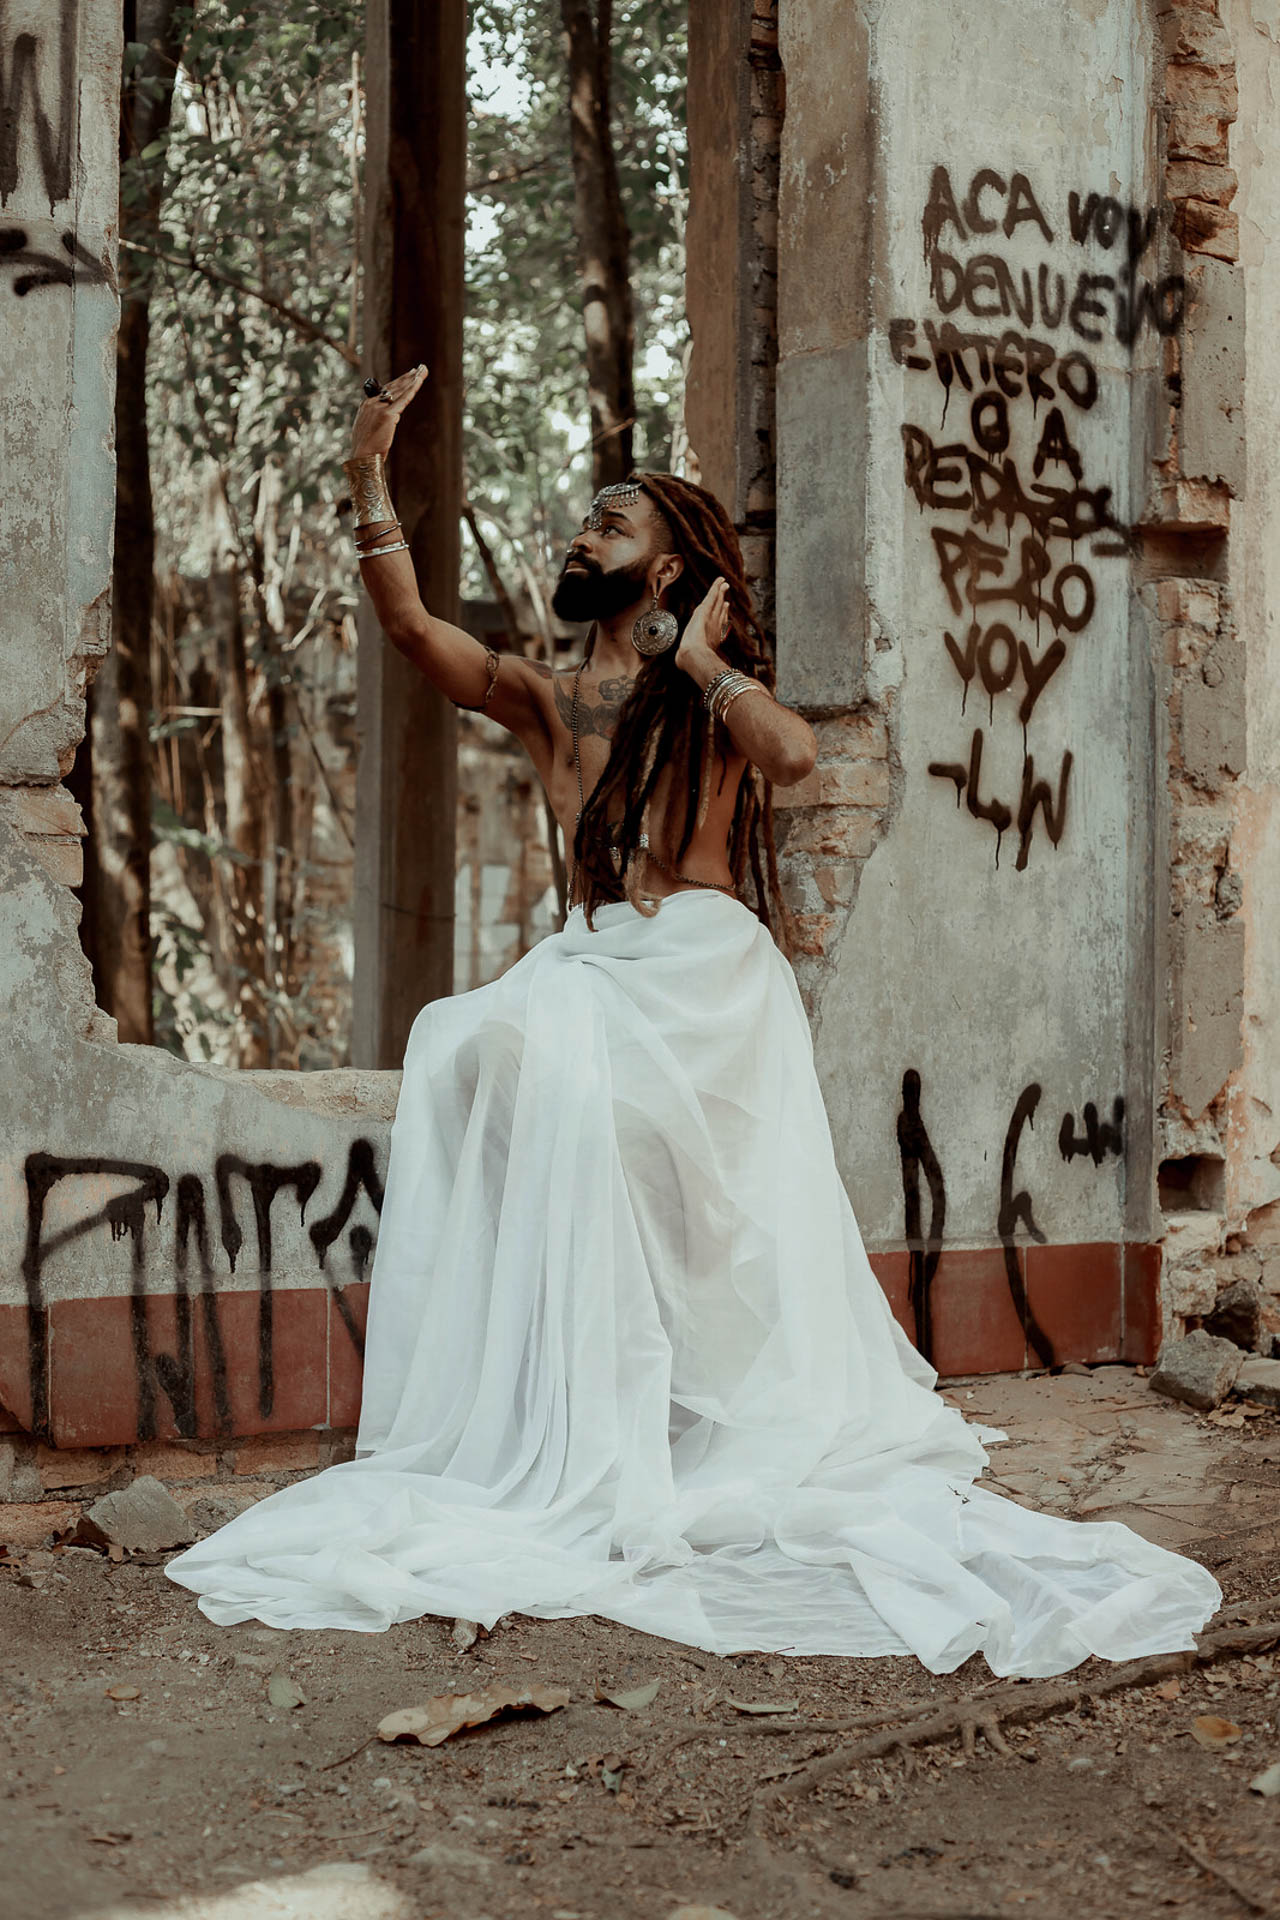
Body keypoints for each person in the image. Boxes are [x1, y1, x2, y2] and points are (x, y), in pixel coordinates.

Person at [166, 366, 1222, 1677]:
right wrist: (364, 474)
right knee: (471, 1046)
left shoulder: (708, 701)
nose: (582, 536)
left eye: (611, 524)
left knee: (694, 1202)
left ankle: (696, 1411)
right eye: (585, 521)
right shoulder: (551, 697)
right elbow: (414, 631)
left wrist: (705, 658)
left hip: (709, 977)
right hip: (594, 963)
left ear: (669, 568)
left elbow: (796, 759)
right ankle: (583, 1415)